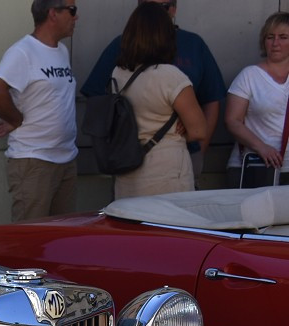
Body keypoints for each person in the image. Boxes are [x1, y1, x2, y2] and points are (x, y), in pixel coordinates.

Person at [81, 0, 225, 179]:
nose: (155, 14)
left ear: (173, 10)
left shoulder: (192, 46)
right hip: (130, 157)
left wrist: (199, 148)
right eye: (148, 7)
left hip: (181, 156)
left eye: (161, 8)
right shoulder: (122, 48)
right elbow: (97, 99)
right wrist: (118, 137)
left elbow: (211, 100)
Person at [0, 1, 79, 222]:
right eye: (72, 11)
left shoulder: (62, 51)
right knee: (30, 240)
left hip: (66, 159)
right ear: (53, 13)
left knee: (62, 238)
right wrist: (16, 119)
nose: (77, 17)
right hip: (34, 160)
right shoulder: (23, 52)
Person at [109, 4, 206, 199]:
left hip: (128, 167)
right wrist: (180, 132)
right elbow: (199, 130)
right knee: (167, 228)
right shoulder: (171, 76)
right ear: (165, 36)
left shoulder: (118, 73)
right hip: (167, 172)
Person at [224, 12, 289, 187]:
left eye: (283, 37)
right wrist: (262, 147)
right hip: (254, 166)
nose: (276, 43)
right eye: (270, 37)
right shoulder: (249, 76)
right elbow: (232, 120)